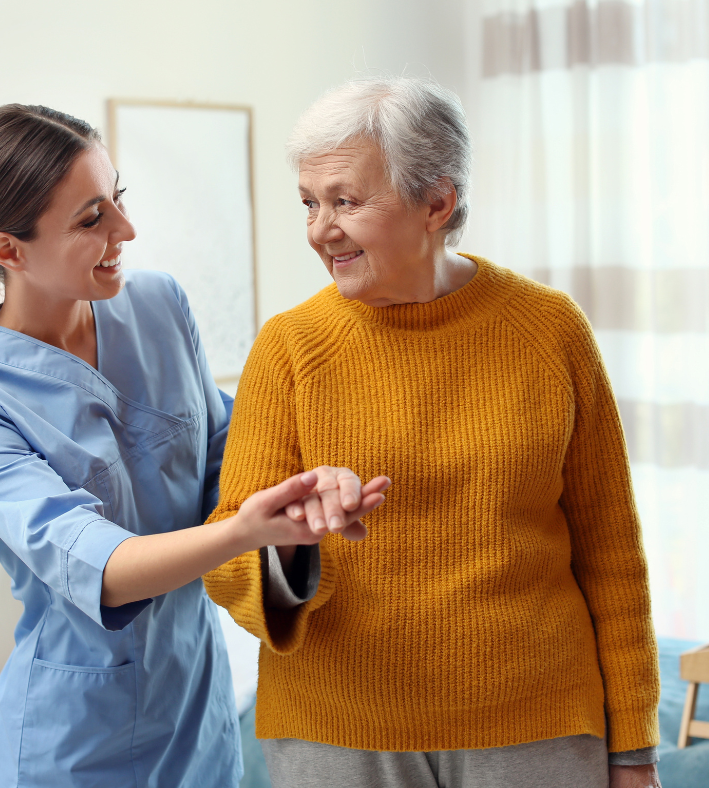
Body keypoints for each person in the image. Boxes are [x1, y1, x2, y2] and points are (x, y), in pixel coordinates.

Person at [0, 104, 387, 788]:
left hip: (199, 711)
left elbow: (231, 457)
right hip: (78, 743)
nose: (126, 230)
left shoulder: (159, 306)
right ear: (8, 251)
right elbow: (96, 565)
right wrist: (244, 530)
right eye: (90, 218)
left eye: (118, 198)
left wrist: (300, 498)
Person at [204, 77, 662, 788]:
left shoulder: (550, 330)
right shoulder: (289, 347)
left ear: (437, 204)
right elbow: (228, 558)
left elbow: (612, 552)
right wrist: (295, 536)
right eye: (309, 203)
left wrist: (634, 749)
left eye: (346, 201)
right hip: (338, 735)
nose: (320, 229)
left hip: (536, 726)